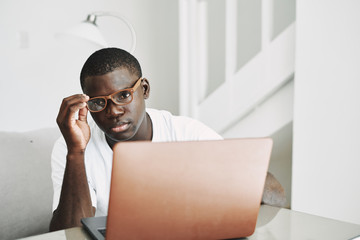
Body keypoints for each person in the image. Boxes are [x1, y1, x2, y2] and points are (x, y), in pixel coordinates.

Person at [49, 47, 286, 231]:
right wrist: (76, 153)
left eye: (124, 95)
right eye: (99, 103)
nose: (113, 111)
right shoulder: (71, 147)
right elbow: (68, 234)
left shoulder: (186, 132)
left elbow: (275, 194)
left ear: (145, 89)